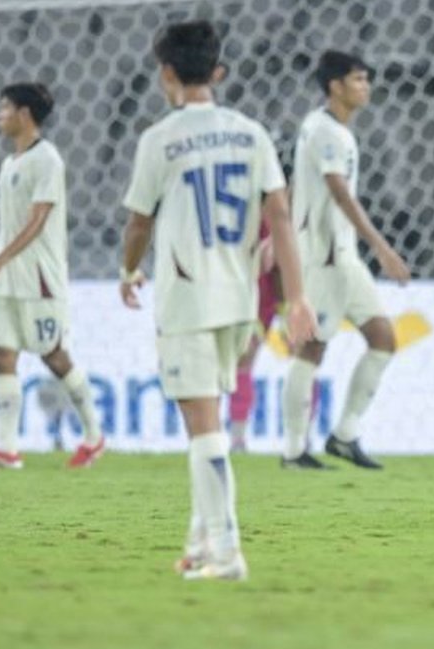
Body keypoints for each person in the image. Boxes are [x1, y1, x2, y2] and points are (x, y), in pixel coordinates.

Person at [119, 20, 316, 581]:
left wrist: (128, 269)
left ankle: (227, 552)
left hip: (188, 298)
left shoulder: (160, 139)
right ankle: (202, 539)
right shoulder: (251, 133)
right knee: (204, 426)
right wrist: (296, 297)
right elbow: (279, 215)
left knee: (204, 429)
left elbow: (139, 222)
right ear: (219, 72)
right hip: (239, 301)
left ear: (166, 74)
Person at [0, 82, 105, 470]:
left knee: (54, 355)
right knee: (1, 354)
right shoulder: (10, 163)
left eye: (5, 107)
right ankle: (8, 450)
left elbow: (38, 222)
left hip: (38, 278)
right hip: (7, 280)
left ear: (24, 114)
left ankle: (94, 436)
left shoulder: (48, 160)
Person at [280, 49, 411, 471]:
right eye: (358, 79)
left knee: (384, 339)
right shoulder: (325, 132)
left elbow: (300, 184)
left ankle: (344, 435)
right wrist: (383, 248)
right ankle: (294, 449)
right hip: (322, 258)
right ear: (335, 85)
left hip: (343, 257)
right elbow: (338, 193)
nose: (365, 86)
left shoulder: (330, 129)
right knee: (312, 348)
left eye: (366, 78)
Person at [228, 220, 278, 451]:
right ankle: (224, 436)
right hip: (229, 288)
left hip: (266, 293)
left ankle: (237, 438)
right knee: (228, 363)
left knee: (243, 360)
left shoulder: (274, 211)